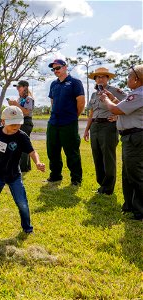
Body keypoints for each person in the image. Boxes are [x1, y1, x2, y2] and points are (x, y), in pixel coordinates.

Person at [100, 64, 143, 220]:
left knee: (135, 174)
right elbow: (124, 106)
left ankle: (140, 210)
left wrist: (106, 100)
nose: (127, 79)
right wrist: (112, 98)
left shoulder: (139, 94)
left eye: (130, 76)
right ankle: (130, 205)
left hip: (135, 138)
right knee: (128, 173)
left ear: (137, 79)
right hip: (131, 137)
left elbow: (116, 110)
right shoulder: (136, 94)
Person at [83, 67, 127, 195]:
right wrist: (87, 130)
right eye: (97, 77)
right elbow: (91, 113)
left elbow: (129, 105)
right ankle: (101, 185)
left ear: (108, 78)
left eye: (103, 76)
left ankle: (108, 188)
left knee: (108, 157)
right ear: (95, 80)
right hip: (95, 127)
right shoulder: (93, 94)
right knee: (97, 156)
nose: (100, 79)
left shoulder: (115, 91)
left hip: (108, 126)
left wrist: (117, 116)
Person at [46, 59, 85, 185]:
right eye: (53, 69)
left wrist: (73, 116)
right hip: (53, 122)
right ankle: (56, 175)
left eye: (58, 68)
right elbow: (53, 102)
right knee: (52, 151)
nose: (55, 71)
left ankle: (76, 179)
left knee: (71, 152)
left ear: (65, 67)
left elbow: (81, 103)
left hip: (69, 122)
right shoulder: (53, 84)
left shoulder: (75, 82)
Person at [9, 80, 35, 172]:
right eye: (17, 87)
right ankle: (26, 166)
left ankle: (23, 167)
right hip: (19, 121)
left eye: (19, 87)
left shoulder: (29, 98)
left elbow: (27, 111)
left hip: (26, 122)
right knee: (22, 144)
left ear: (25, 87)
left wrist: (16, 105)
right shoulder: (19, 99)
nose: (17, 88)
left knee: (23, 144)